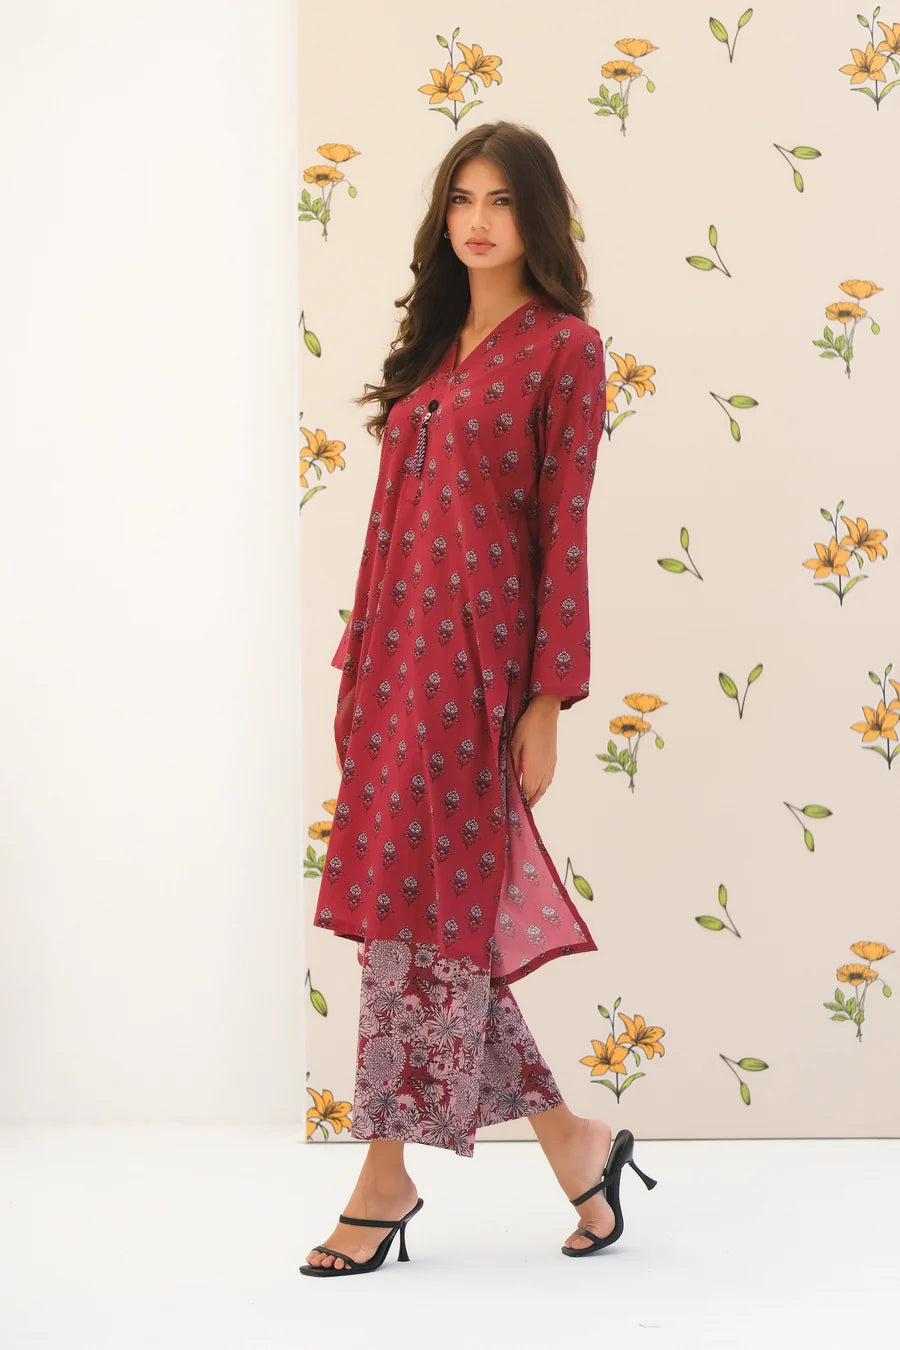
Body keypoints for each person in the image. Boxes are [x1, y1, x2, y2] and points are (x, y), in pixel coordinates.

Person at [300, 121, 657, 1277]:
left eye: (502, 200)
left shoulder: (568, 351)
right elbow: (385, 526)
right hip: (393, 665)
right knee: (425, 918)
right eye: (462, 198)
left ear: (535, 217)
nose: (479, 220)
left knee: (429, 919)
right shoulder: (431, 350)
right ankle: (575, 1145)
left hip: (477, 669)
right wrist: (357, 664)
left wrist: (546, 702)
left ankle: (384, 1179)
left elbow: (565, 531)